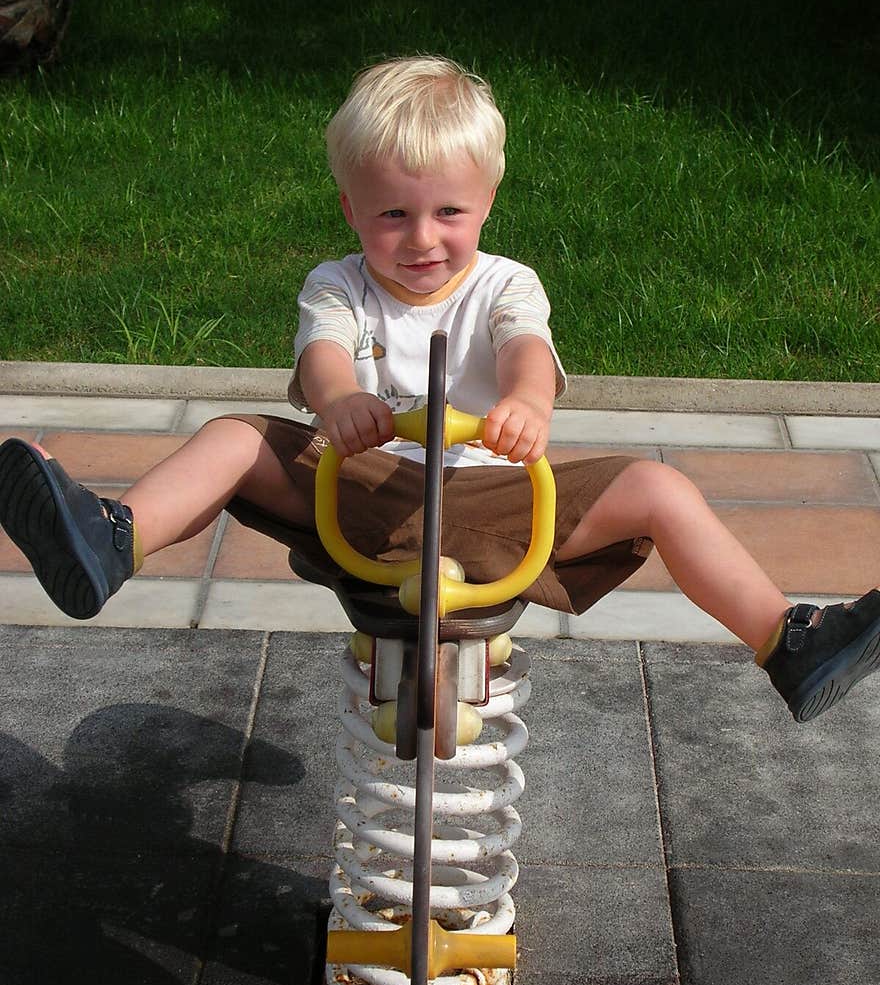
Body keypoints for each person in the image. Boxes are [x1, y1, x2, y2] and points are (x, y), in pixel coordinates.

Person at [1, 54, 878, 724]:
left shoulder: (506, 283)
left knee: (659, 486)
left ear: (487, 201)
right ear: (350, 209)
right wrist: (340, 401)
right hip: (367, 489)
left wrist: (528, 405)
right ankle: (113, 540)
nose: (421, 239)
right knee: (235, 437)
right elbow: (324, 358)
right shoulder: (337, 283)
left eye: (447, 212)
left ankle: (783, 637)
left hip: (490, 496)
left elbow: (527, 350)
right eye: (391, 214)